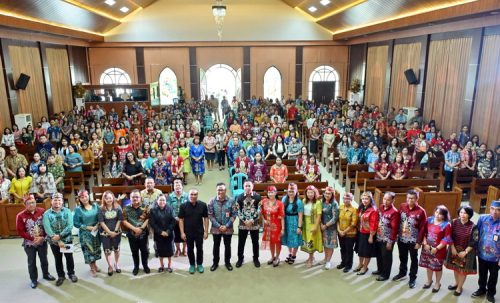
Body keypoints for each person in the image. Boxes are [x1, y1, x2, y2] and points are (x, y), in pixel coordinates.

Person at [16, 195, 56, 289]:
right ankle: (33, 279)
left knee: (44, 259)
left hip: (42, 241)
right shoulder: (20, 216)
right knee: (31, 261)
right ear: (24, 204)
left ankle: (46, 274)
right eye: (28, 203)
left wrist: (43, 237)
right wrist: (32, 239)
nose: (31, 205)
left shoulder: (42, 211)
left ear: (35, 202)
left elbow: (47, 225)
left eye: (33, 202)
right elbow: (20, 231)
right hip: (30, 243)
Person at [393, 189, 427, 289]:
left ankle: (412, 278)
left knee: (413, 259)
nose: (410, 200)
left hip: (413, 240)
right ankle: (402, 273)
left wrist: (419, 242)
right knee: (402, 257)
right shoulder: (402, 206)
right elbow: (398, 221)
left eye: (412, 198)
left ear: (417, 199)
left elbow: (422, 228)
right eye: (408, 198)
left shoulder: (421, 211)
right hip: (402, 238)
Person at [43, 193, 77, 286]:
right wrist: (56, 238)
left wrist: (60, 236)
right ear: (51, 201)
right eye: (55, 200)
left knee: (69, 257)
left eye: (59, 200)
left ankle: (71, 273)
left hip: (66, 240)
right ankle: (61, 276)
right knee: (58, 259)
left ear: (62, 202)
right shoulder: (47, 214)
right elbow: (47, 228)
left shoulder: (67, 211)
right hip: (54, 241)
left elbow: (70, 225)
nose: (57, 202)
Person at [444, 206, 477, 296]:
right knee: (455, 267)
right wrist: (452, 248)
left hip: (466, 252)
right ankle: (456, 283)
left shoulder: (473, 226)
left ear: (469, 215)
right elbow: (448, 236)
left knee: (462, 270)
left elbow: (474, 241)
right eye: (461, 212)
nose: (462, 215)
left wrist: (465, 252)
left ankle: (459, 287)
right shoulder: (454, 222)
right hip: (454, 249)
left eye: (465, 213)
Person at [418, 205, 452, 293]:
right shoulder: (429, 220)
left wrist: (436, 248)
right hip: (427, 248)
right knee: (428, 265)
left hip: (438, 250)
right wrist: (424, 243)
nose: (437, 215)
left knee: (437, 267)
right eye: (436, 212)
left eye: (440, 214)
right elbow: (424, 232)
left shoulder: (447, 224)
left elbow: (446, 239)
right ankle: (429, 280)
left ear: (444, 215)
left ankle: (437, 283)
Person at [471, 200, 500, 303]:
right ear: (489, 208)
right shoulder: (482, 219)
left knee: (493, 277)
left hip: (496, 257)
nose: (494, 212)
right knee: (482, 274)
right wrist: (474, 249)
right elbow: (476, 234)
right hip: (482, 253)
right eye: (492, 209)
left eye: (498, 210)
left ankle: (491, 293)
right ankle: (482, 289)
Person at [179, 189, 209, 274]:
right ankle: (192, 264)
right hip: (188, 232)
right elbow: (181, 219)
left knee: (200, 249)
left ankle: (199, 264)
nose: (193, 196)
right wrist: (182, 232)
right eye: (191, 194)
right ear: (188, 195)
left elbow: (206, 218)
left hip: (199, 232)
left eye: (195, 194)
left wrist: (206, 231)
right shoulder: (183, 206)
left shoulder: (203, 205)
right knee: (190, 249)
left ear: (197, 195)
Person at [73, 190, 102, 277]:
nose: (84, 198)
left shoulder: (95, 206)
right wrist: (87, 227)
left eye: (86, 196)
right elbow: (76, 223)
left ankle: (95, 265)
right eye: (82, 197)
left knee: (96, 249)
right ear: (79, 199)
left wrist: (97, 225)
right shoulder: (78, 209)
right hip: (85, 233)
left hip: (96, 231)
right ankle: (92, 268)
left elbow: (100, 217)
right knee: (89, 251)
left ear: (88, 196)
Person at [208, 182, 236, 271]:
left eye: (222, 190)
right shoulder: (211, 201)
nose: (220, 191)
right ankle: (215, 263)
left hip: (228, 229)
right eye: (218, 190)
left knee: (227, 246)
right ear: (216, 190)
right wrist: (219, 226)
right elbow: (210, 215)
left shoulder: (231, 201)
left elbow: (234, 215)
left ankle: (227, 262)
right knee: (216, 246)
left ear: (225, 190)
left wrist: (226, 226)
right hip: (216, 229)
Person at [122, 190, 150, 276]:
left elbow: (148, 219)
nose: (135, 198)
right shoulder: (126, 208)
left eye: (137, 197)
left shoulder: (145, 207)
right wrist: (134, 229)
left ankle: (145, 265)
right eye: (133, 197)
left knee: (144, 251)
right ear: (130, 198)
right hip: (131, 233)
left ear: (140, 198)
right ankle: (136, 267)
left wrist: (141, 229)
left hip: (143, 232)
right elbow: (124, 221)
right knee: (134, 251)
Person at [235, 180, 262, 268]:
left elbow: (259, 210)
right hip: (243, 224)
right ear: (243, 187)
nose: (247, 187)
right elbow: (237, 210)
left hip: (254, 224)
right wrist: (245, 220)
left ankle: (256, 258)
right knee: (241, 242)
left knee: (255, 242)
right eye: (246, 186)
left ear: (252, 187)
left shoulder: (257, 197)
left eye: (249, 186)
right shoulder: (239, 197)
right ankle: (240, 258)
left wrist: (252, 220)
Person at [375, 192, 400, 281]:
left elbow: (395, 229)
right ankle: (380, 270)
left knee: (386, 256)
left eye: (388, 200)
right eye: (384, 199)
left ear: (393, 200)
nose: (385, 201)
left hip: (388, 238)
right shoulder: (381, 207)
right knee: (379, 255)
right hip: (379, 235)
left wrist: (390, 241)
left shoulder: (395, 212)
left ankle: (385, 274)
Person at [98, 191, 123, 276]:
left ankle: (117, 264)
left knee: (116, 249)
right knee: (107, 251)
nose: (109, 200)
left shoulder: (118, 207)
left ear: (113, 198)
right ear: (104, 199)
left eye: (110, 198)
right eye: (107, 198)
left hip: (116, 233)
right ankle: (110, 266)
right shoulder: (101, 209)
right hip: (105, 233)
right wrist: (109, 232)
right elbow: (101, 222)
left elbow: (120, 219)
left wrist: (115, 231)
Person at [354, 192, 379, 275]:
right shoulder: (361, 207)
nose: (364, 200)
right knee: (360, 250)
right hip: (360, 232)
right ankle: (360, 264)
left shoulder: (373, 210)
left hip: (368, 234)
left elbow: (374, 224)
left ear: (370, 199)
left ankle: (365, 267)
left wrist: (371, 236)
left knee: (367, 251)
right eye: (363, 199)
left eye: (366, 199)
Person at [150, 194, 176, 273]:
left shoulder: (170, 208)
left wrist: (168, 231)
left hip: (169, 233)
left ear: (166, 201)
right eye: (160, 200)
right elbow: (152, 223)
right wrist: (161, 232)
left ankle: (169, 265)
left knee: (170, 250)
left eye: (163, 200)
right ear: (157, 201)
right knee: (160, 251)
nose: (162, 202)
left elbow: (173, 221)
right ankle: (161, 265)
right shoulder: (153, 210)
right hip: (159, 234)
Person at [261, 186, 285, 267]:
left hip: (277, 226)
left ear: (276, 193)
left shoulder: (280, 203)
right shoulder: (264, 201)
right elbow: (260, 212)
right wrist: (263, 220)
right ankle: (272, 257)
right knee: (271, 241)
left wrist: (283, 229)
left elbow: (282, 217)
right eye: (269, 192)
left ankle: (277, 257)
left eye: (272, 192)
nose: (270, 194)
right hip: (267, 226)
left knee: (277, 242)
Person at [282, 183, 304, 265]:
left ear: (296, 191)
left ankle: (294, 255)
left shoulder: (299, 202)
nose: (291, 192)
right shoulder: (284, 199)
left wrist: (299, 227)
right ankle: (290, 253)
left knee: (295, 239)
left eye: (293, 191)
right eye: (289, 191)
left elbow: (300, 216)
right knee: (288, 238)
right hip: (286, 221)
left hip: (295, 221)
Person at [168, 179, 189, 257]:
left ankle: (184, 249)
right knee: (176, 235)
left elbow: (189, 207)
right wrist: (175, 217)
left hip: (185, 220)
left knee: (185, 235)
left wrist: (184, 217)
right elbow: (169, 209)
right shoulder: (170, 196)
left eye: (179, 185)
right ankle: (178, 249)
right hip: (174, 220)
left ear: (182, 186)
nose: (177, 187)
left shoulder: (187, 195)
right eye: (175, 186)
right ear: (173, 187)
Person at [320, 186, 339, 270]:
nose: (327, 195)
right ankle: (325, 258)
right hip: (323, 226)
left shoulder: (334, 203)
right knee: (325, 243)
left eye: (329, 193)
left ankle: (328, 261)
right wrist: (321, 224)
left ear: (332, 194)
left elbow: (335, 217)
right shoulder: (322, 202)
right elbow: (319, 214)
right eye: (326, 193)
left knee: (330, 244)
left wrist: (326, 225)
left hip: (331, 227)